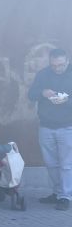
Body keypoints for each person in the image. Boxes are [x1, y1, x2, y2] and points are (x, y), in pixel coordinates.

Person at [28, 48, 72, 211]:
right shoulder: (43, 74)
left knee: (67, 164)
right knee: (51, 163)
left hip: (68, 126)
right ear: (50, 63)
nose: (58, 69)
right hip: (46, 126)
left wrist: (66, 101)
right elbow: (31, 94)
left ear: (67, 61)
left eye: (61, 65)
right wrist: (42, 92)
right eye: (54, 66)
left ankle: (66, 196)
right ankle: (57, 192)